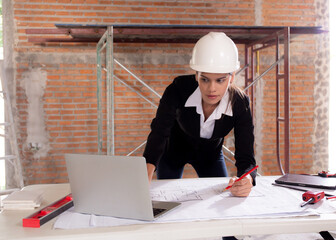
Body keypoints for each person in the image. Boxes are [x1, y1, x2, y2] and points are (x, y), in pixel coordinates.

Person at [143, 32, 257, 199]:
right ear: (196, 74)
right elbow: (159, 132)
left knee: (221, 198)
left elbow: (246, 155)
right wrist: (144, 178)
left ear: (231, 77)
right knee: (163, 197)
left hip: (210, 155)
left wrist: (246, 179)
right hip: (173, 151)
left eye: (220, 80)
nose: (211, 89)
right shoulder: (177, 89)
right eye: (204, 79)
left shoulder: (240, 103)